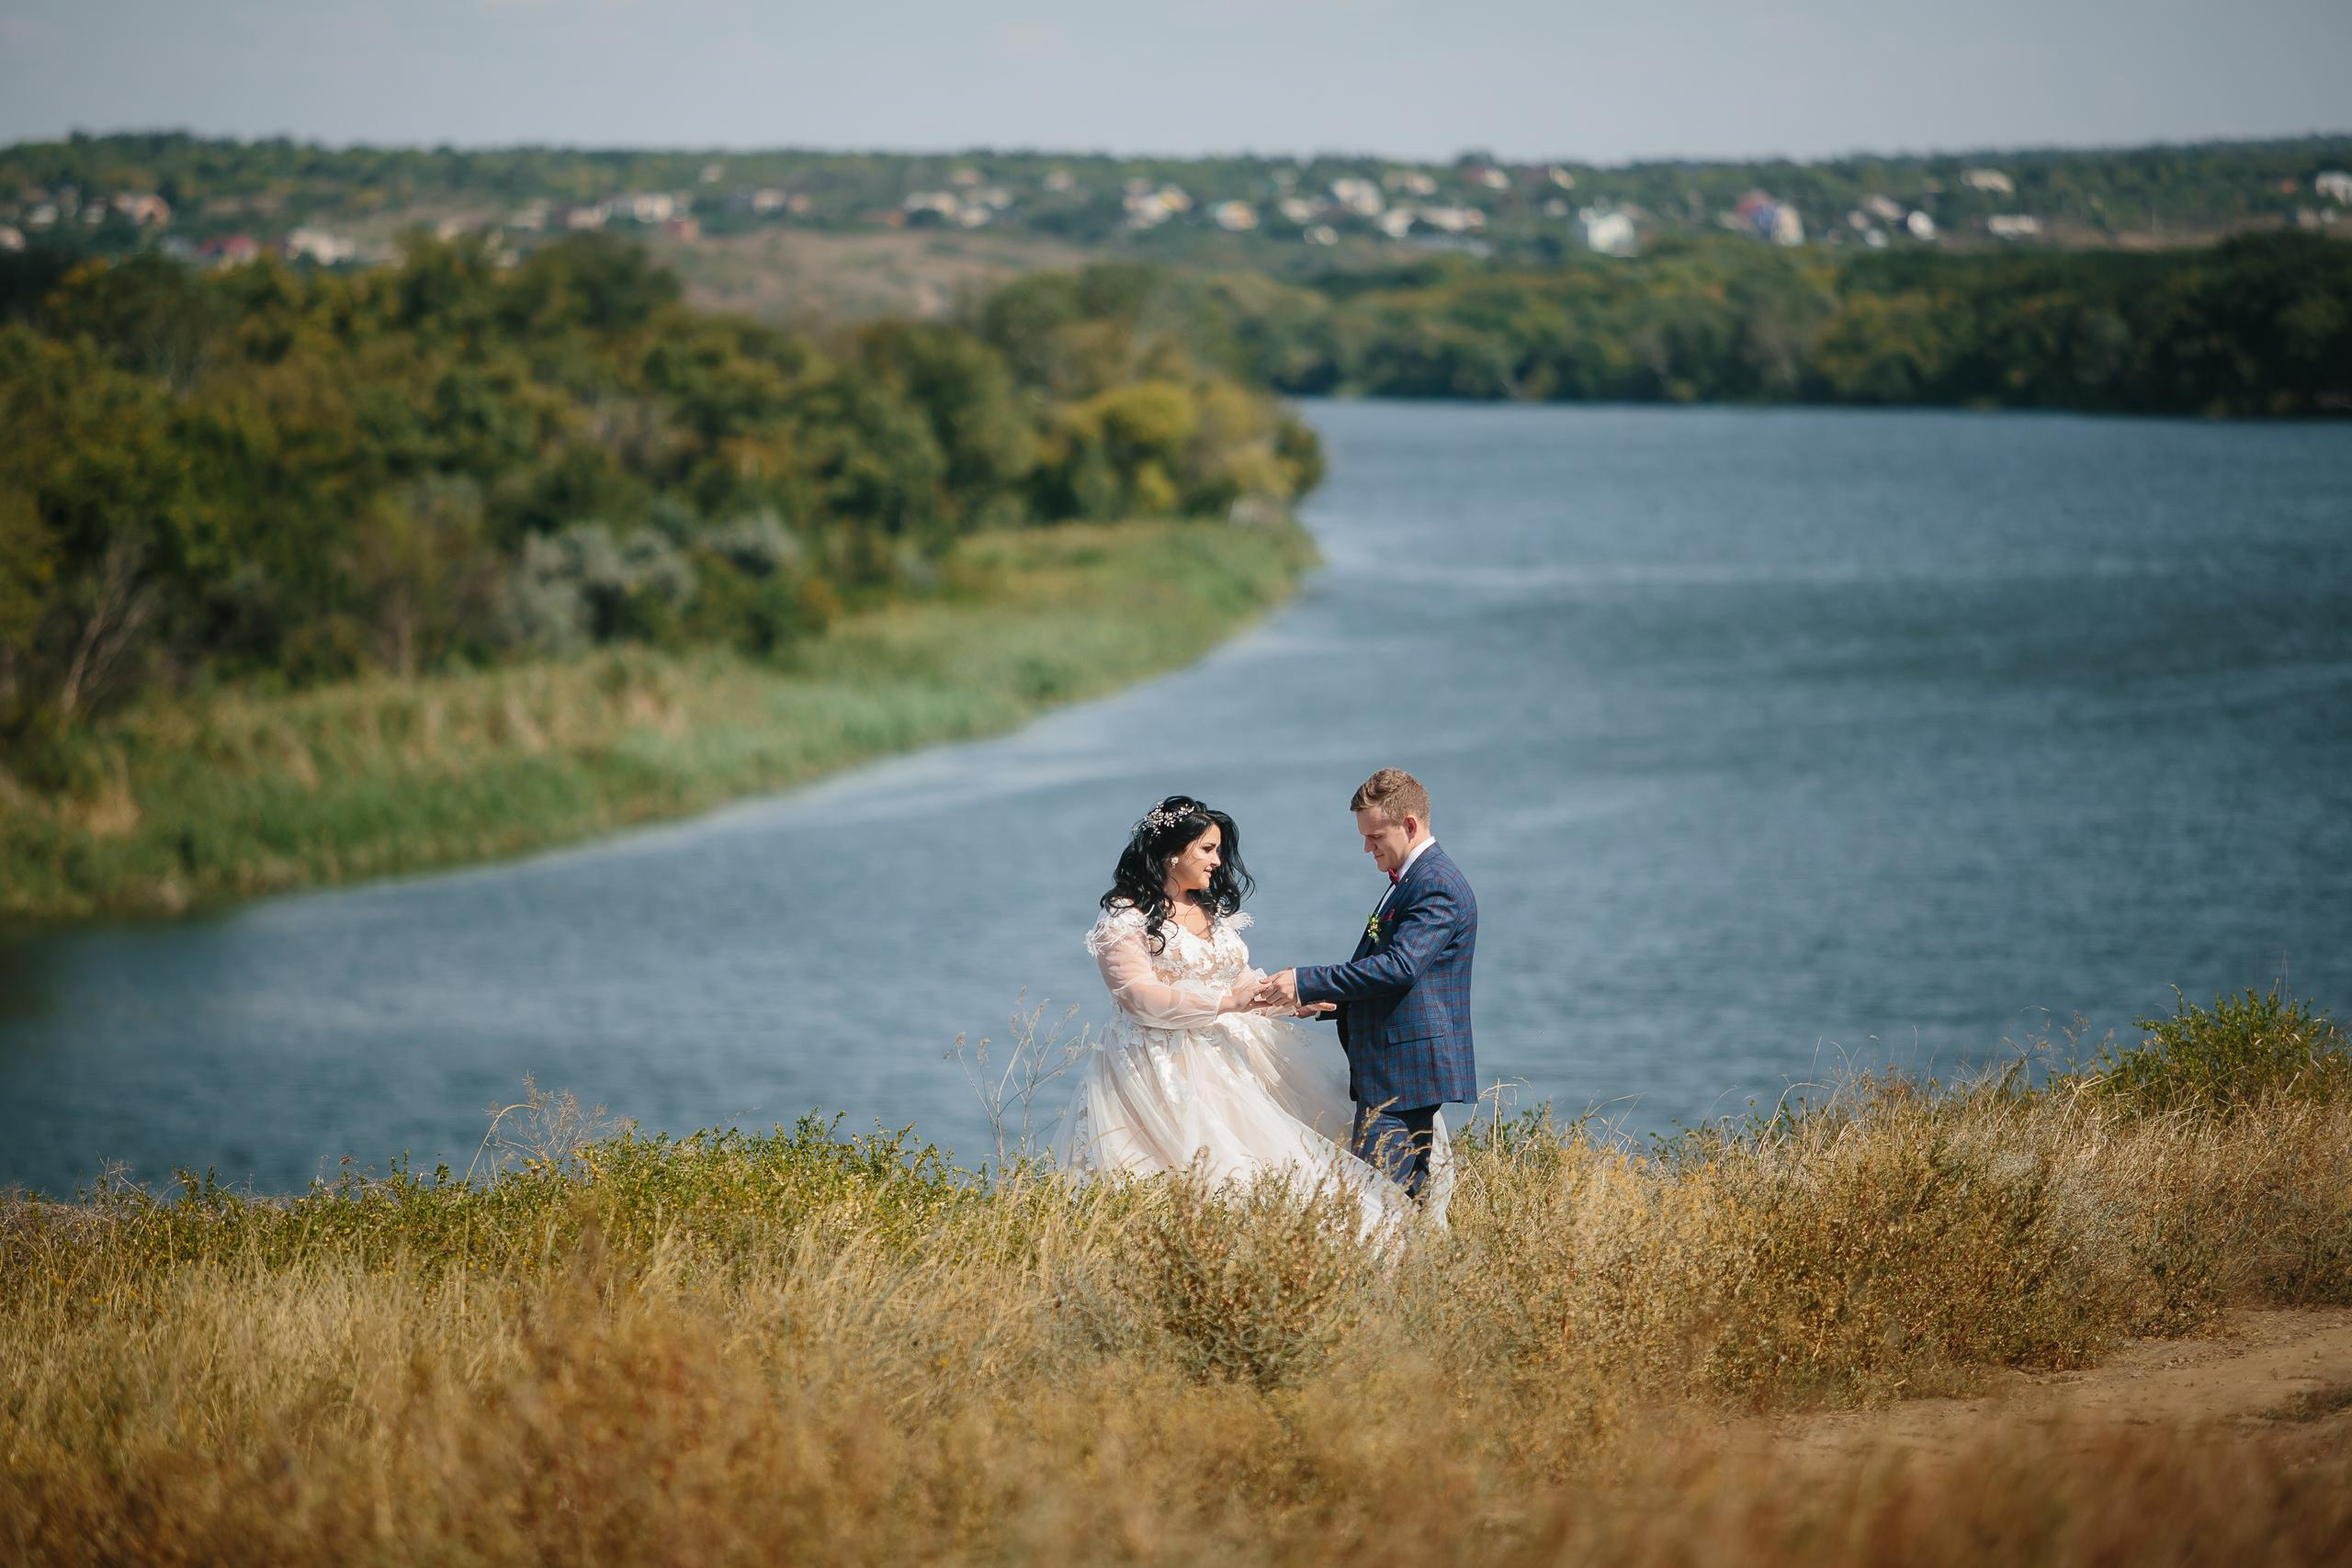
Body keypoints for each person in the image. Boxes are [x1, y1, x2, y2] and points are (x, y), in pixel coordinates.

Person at [1057, 794, 1449, 1227]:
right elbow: (1138, 997)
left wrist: (1297, 998)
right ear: (1172, 853)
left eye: (1219, 850)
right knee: (1194, 1177)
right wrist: (1227, 1003)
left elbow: (1240, 982)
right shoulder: (1126, 917)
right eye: (1208, 849)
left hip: (1232, 1053)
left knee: (1297, 1155)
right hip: (1159, 1065)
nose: (1217, 861)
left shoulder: (1206, 909)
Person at [1255, 768, 1477, 1201]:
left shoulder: (1435, 885)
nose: (1366, 848)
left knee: (1375, 1202)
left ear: (1409, 825)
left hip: (1404, 1075)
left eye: (1375, 836)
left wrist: (1305, 981)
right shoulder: (1412, 879)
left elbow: (1400, 968)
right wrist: (1326, 1000)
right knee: (1398, 1201)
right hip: (1395, 1071)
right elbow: (1397, 978)